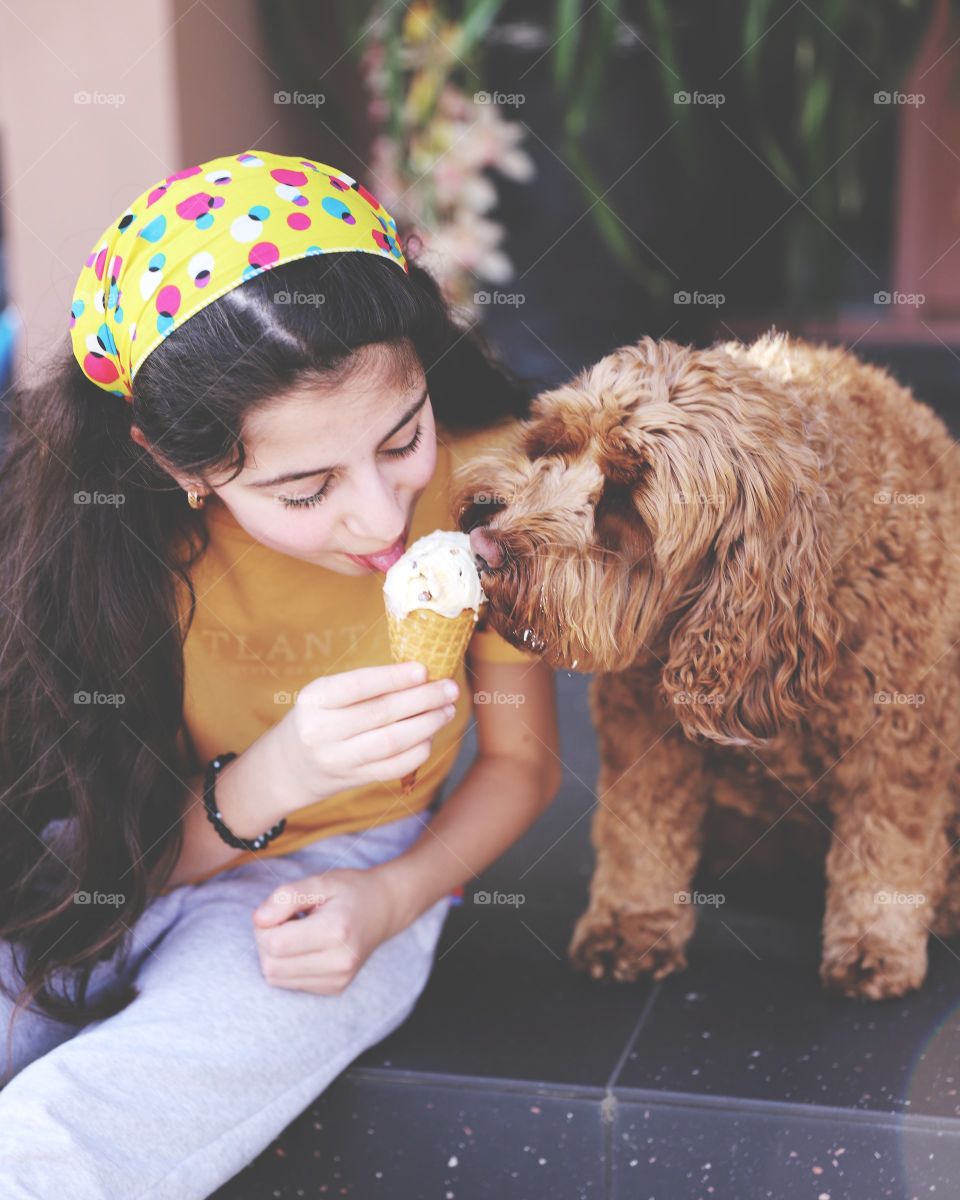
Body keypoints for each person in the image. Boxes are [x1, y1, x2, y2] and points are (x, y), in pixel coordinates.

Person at [0, 149, 562, 1198]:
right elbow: (102, 858)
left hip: (346, 872)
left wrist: (391, 900)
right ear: (176, 466)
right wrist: (280, 771)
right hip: (124, 842)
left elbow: (523, 763)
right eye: (305, 491)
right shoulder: (110, 542)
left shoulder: (494, 481)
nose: (383, 517)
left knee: (69, 1141)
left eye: (403, 439)